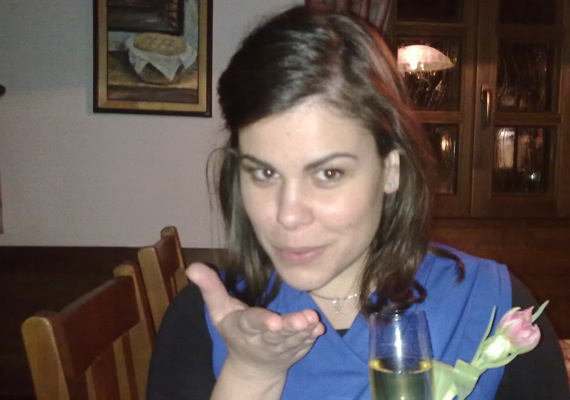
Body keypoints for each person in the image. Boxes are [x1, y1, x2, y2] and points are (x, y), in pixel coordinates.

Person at [147, 5, 570, 400]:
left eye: (328, 174)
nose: (287, 215)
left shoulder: (495, 309)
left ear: (390, 171)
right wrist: (249, 373)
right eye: (264, 173)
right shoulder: (201, 322)